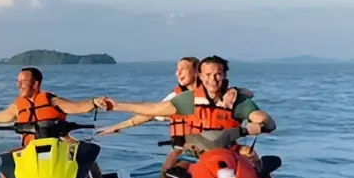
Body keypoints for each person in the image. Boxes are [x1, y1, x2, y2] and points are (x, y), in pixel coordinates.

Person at [98, 55, 275, 178]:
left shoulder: (237, 101)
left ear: (224, 76)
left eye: (218, 74)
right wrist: (117, 105)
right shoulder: (187, 100)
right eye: (208, 75)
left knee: (254, 165)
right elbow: (153, 109)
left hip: (229, 153)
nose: (213, 79)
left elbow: (265, 120)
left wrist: (256, 126)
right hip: (194, 154)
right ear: (200, 76)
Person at [0, 67, 110, 178]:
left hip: (60, 145)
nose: (19, 85)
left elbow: (77, 107)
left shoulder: (52, 101)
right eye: (18, 81)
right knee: (4, 162)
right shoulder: (18, 106)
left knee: (88, 156)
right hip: (30, 149)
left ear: (36, 84)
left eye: (23, 82)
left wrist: (94, 103)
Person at [97, 56, 250, 143]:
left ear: (197, 72)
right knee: (168, 173)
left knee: (251, 159)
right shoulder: (176, 98)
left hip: (222, 148)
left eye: (184, 69)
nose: (178, 73)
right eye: (177, 70)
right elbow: (151, 112)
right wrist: (118, 125)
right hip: (187, 148)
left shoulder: (225, 94)